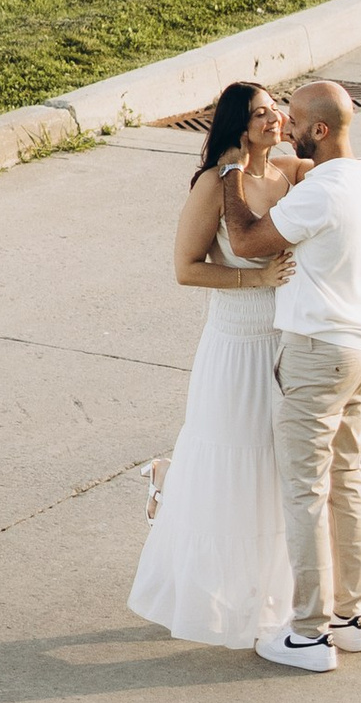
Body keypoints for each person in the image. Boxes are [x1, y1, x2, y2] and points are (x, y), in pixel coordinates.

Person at [218, 75, 361, 674]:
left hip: (317, 352)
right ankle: (349, 618)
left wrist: (230, 174)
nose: (284, 128)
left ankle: (310, 635)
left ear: (319, 129)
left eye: (292, 120)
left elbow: (248, 240)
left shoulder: (322, 194)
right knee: (346, 481)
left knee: (305, 491)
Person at [127, 80, 298, 647]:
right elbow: (186, 267)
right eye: (260, 115)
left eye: (276, 109)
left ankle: (263, 593)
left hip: (283, 343)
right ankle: (169, 482)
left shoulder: (290, 174)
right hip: (234, 345)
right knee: (229, 461)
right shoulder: (212, 185)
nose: (274, 120)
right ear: (237, 127)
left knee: (269, 468)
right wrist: (257, 279)